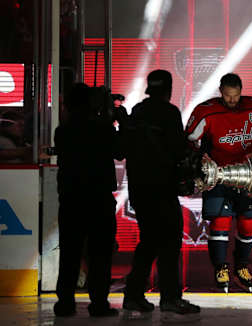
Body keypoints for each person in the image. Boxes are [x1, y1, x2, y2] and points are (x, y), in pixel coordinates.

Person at [185, 73, 252, 293]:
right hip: (219, 175)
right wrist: (200, 159)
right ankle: (221, 268)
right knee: (220, 222)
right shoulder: (206, 111)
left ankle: (242, 266)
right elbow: (189, 140)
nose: (232, 100)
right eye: (228, 96)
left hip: (250, 175)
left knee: (249, 223)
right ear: (220, 92)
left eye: (235, 96)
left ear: (241, 91)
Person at [122, 69, 200, 315]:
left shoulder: (137, 113)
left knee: (148, 242)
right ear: (168, 89)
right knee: (169, 243)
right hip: (162, 189)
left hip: (139, 190)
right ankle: (170, 298)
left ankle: (134, 294)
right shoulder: (169, 113)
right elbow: (178, 150)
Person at [53, 83, 122, 317]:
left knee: (70, 252)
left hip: (71, 198)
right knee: (100, 253)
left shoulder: (63, 130)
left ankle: (65, 302)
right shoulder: (102, 129)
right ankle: (99, 302)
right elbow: (120, 151)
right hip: (98, 197)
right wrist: (114, 120)